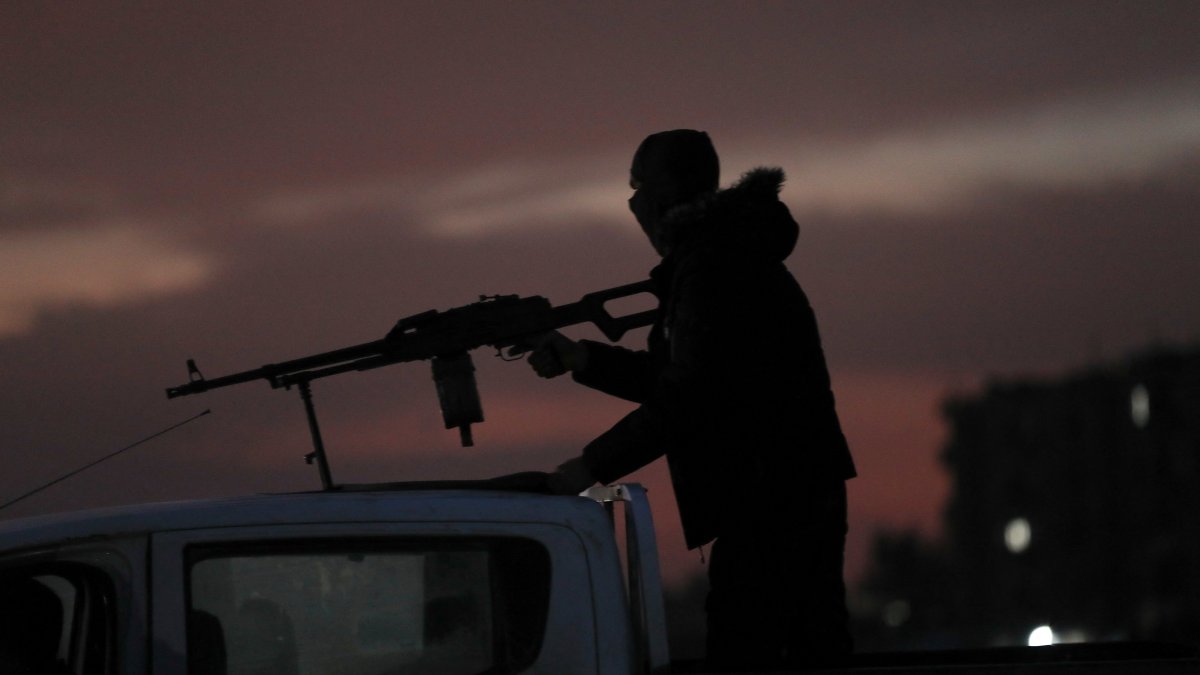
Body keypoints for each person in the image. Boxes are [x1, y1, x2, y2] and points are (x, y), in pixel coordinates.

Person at [524, 129, 856, 669]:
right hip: (783, 489)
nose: (633, 205)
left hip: (770, 498)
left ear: (666, 189)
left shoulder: (716, 264)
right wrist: (581, 359)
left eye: (638, 187)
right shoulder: (725, 255)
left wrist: (585, 468)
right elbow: (689, 376)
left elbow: (690, 394)